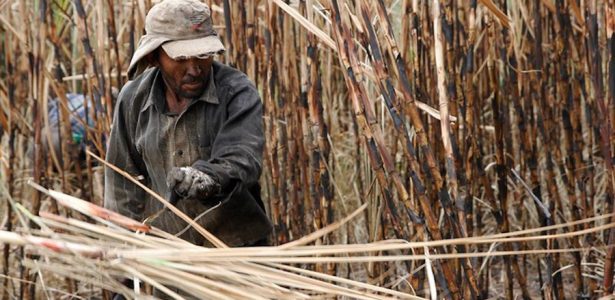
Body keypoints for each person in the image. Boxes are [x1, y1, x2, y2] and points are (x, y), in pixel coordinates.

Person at [104, 0, 272, 248]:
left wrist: (208, 178)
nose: (194, 69)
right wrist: (121, 254)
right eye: (181, 58)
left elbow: (242, 158)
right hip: (168, 254)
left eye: (202, 55)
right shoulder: (133, 100)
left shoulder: (236, 92)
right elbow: (123, 183)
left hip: (236, 251)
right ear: (154, 57)